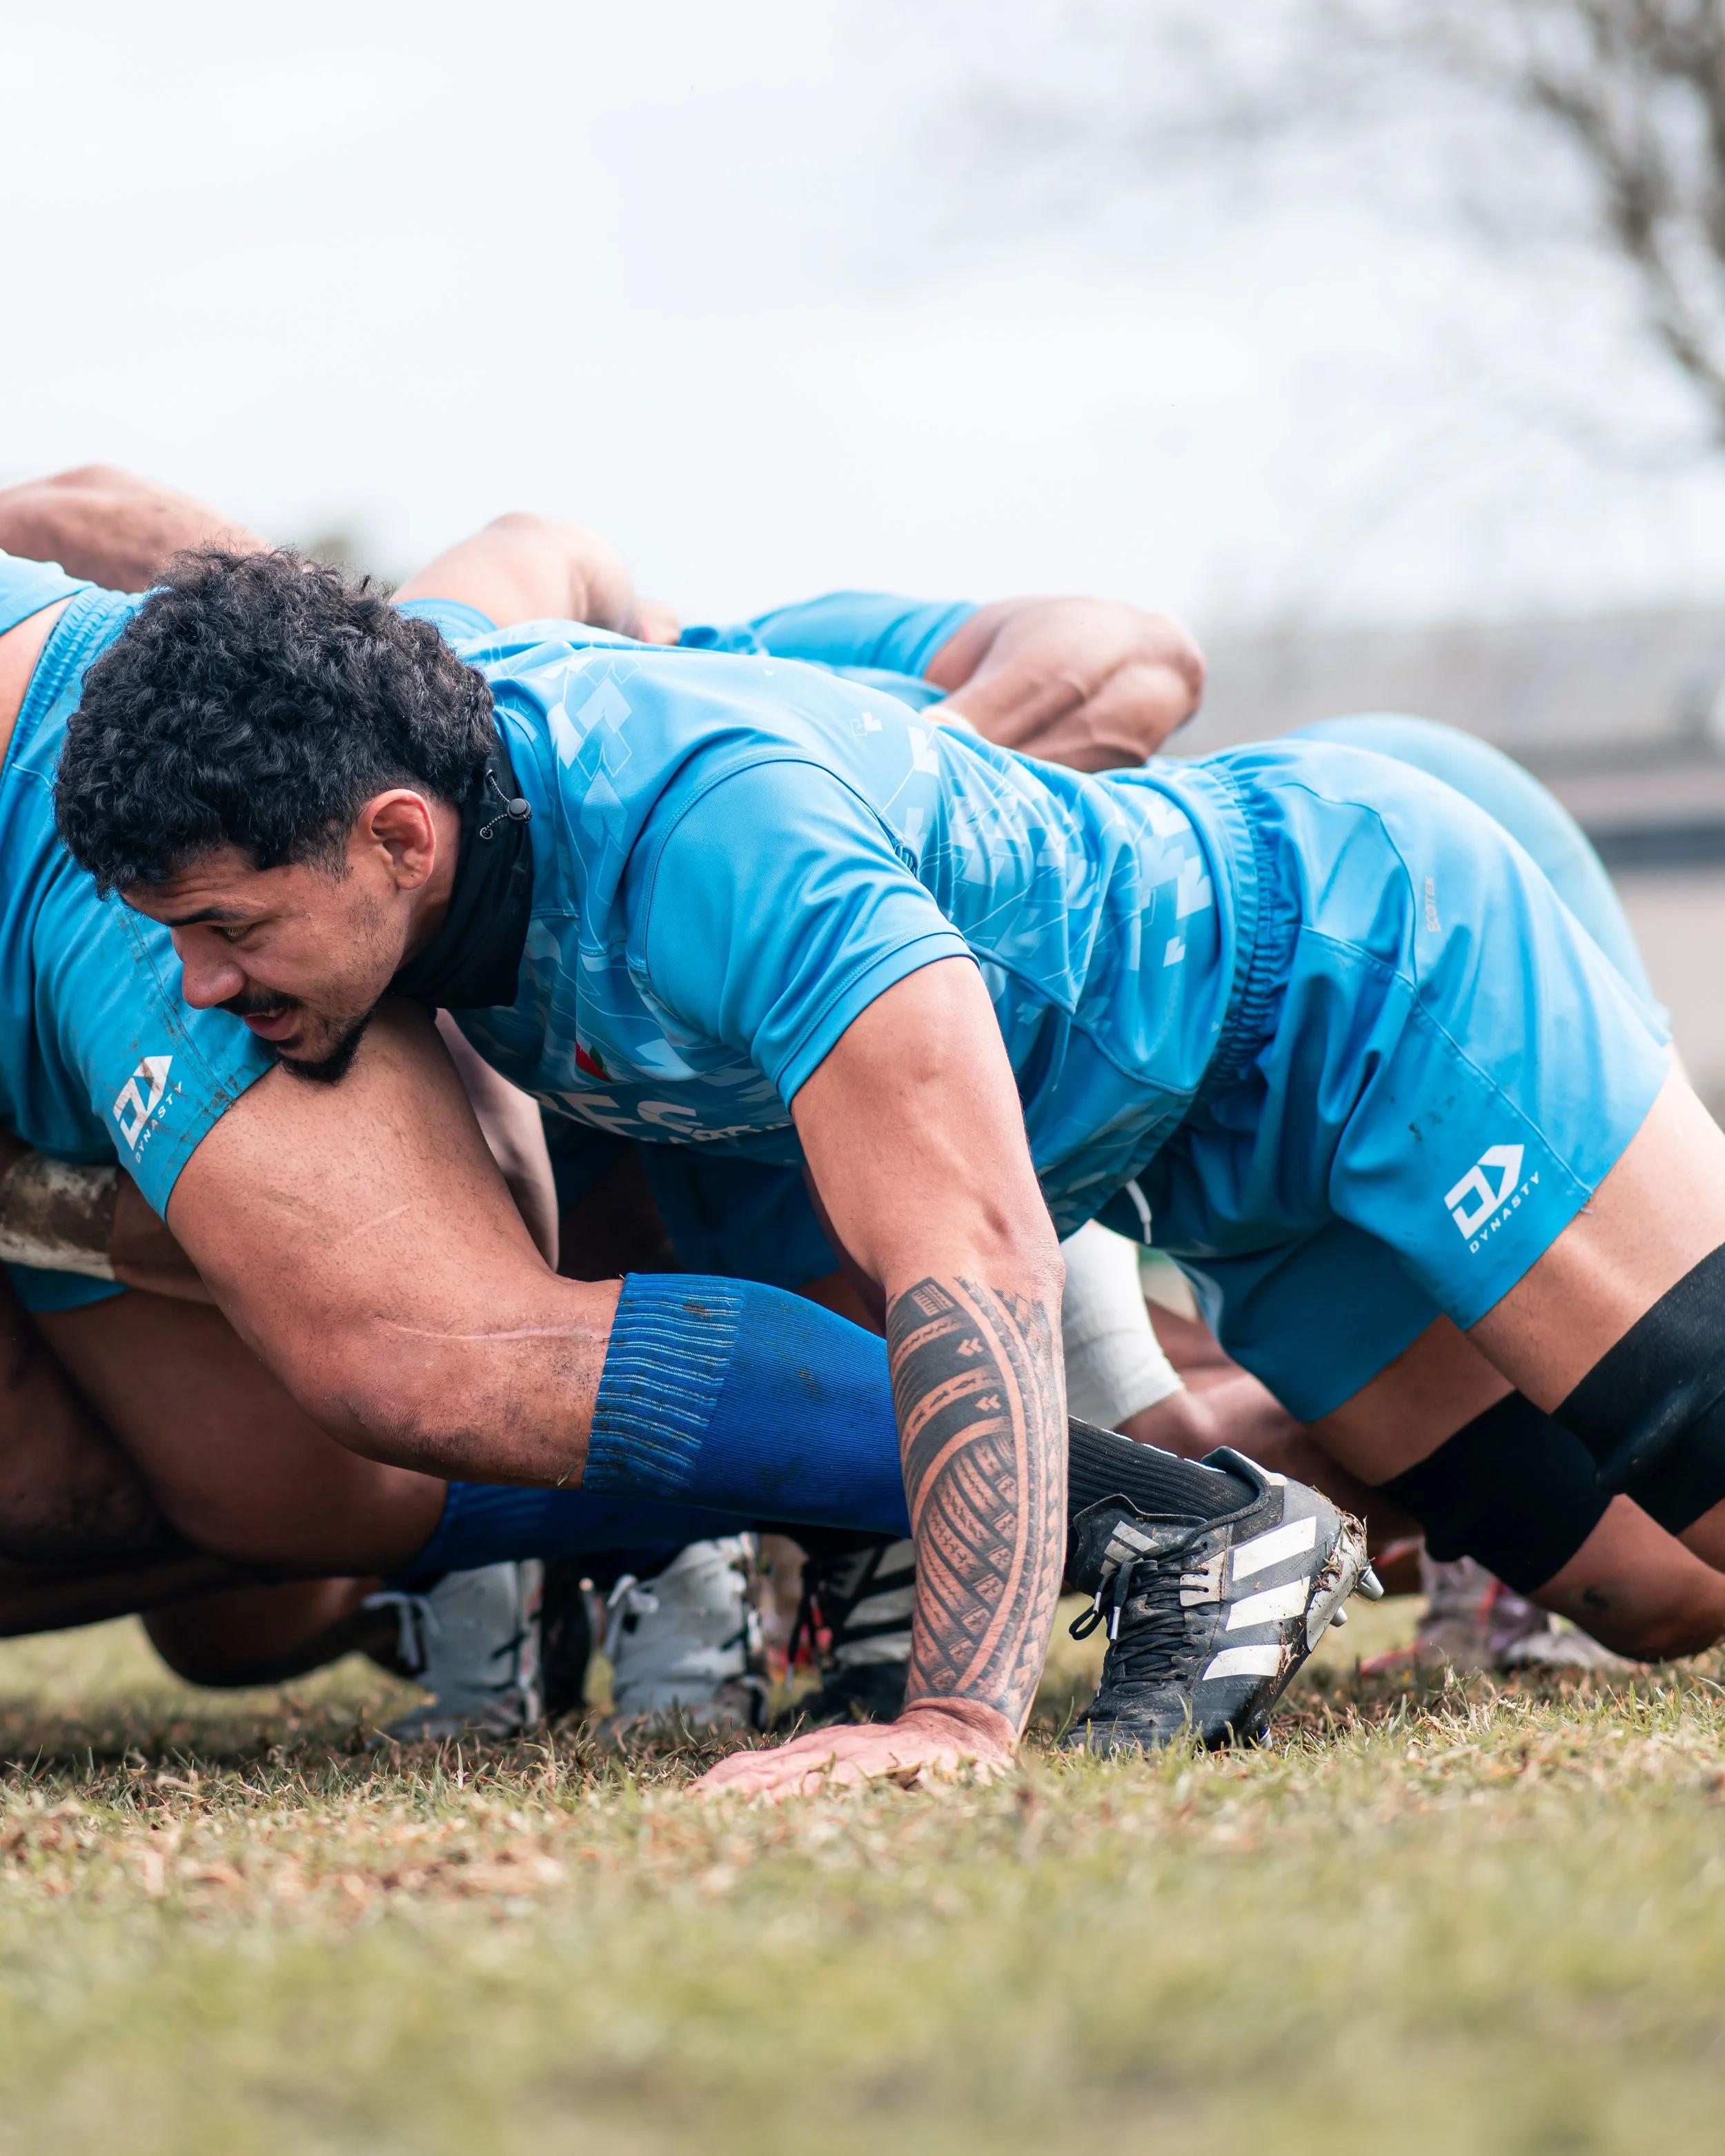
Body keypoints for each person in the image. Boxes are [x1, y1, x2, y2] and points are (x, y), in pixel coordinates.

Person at [55, 522, 1725, 1803]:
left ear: (395, 841)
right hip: (1201, 1170)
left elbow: (971, 1244)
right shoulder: (406, 744)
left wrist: (955, 1712)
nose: (201, 987)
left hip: (1373, 974)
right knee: (1656, 1599)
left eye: (226, 930)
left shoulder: (714, 829)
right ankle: (1309, 1520)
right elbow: (507, 538)